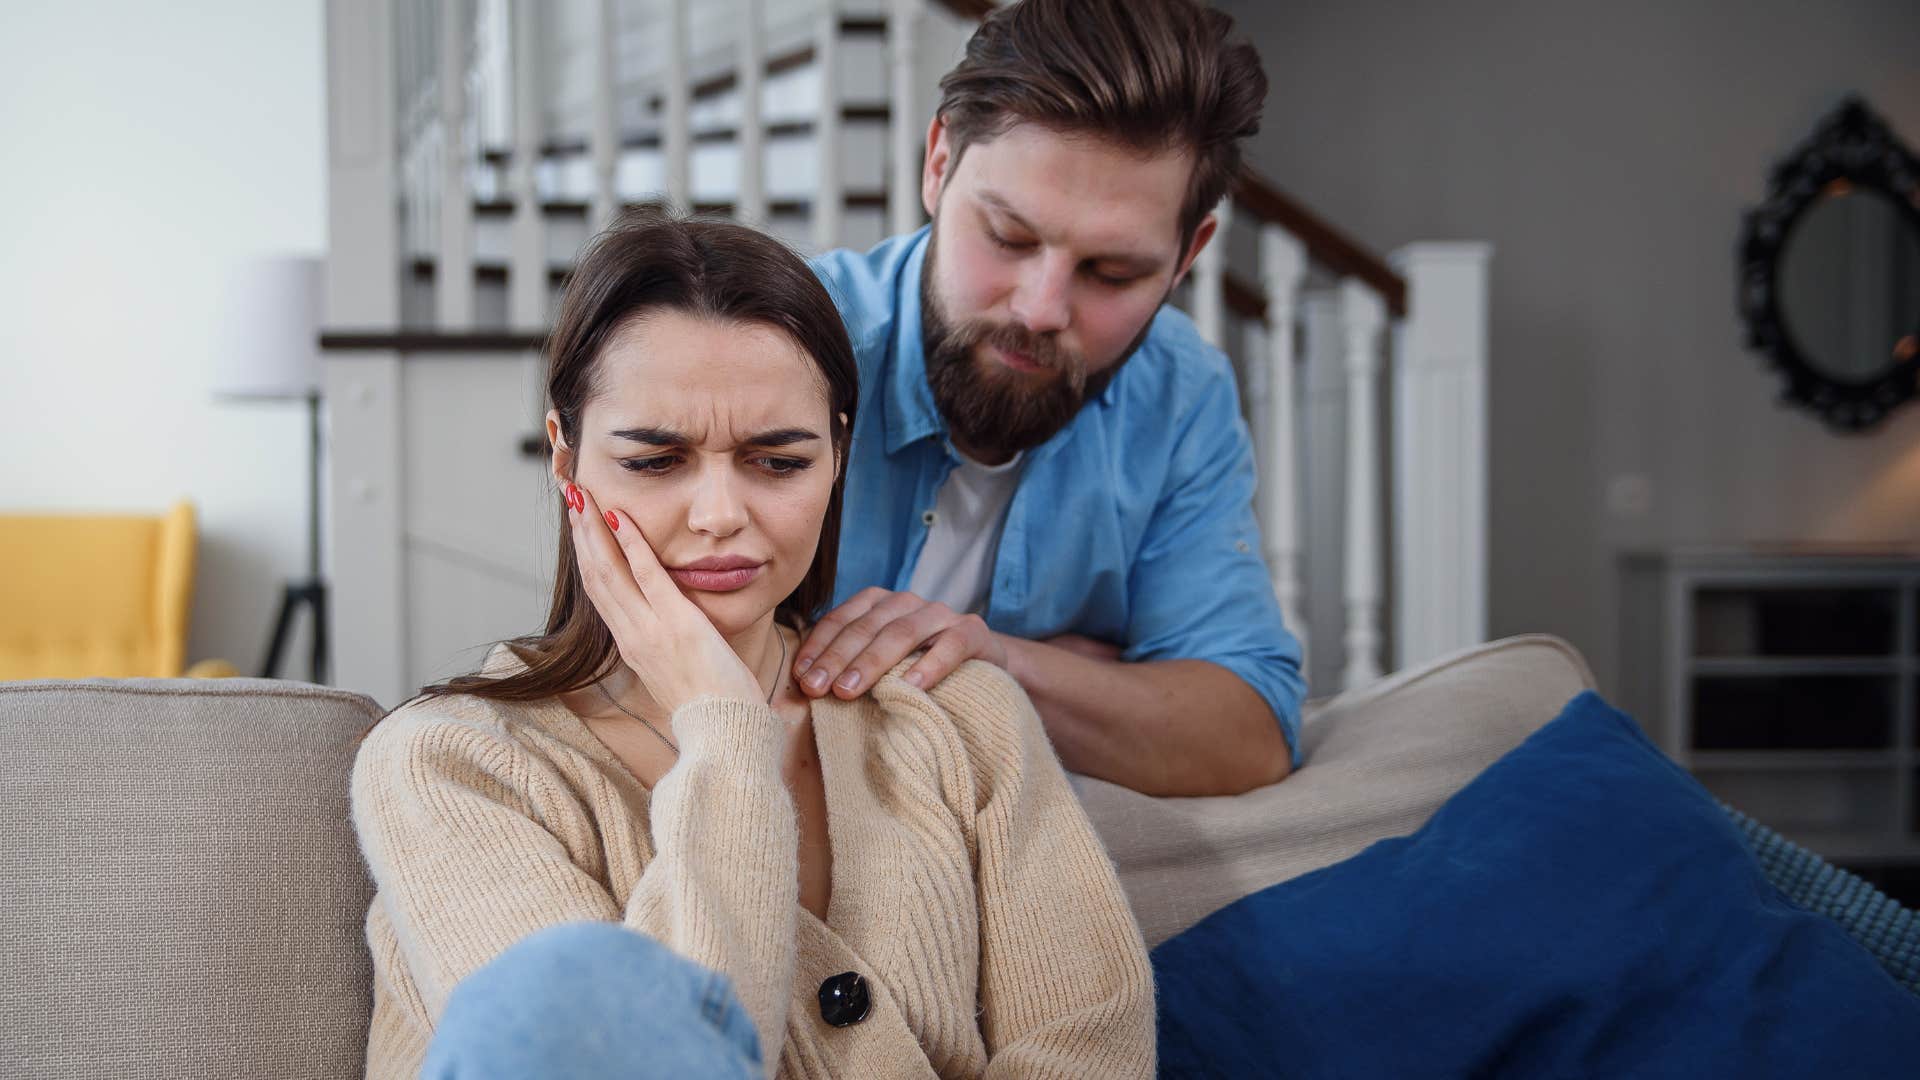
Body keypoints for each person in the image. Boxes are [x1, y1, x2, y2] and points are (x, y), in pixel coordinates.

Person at [349, 211, 1154, 1079]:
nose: (720, 515)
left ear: (838, 453)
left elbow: (1091, 1048)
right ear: (565, 456)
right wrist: (724, 725)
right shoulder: (447, 764)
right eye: (656, 461)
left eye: (779, 462)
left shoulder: (958, 713)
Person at [792, 0, 1306, 798]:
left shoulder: (1180, 394)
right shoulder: (782, 347)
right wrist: (1100, 687)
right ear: (938, 164)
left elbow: (1249, 733)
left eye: (1112, 273)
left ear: (1187, 257)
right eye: (1008, 236)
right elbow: (664, 678)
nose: (1040, 309)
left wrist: (1003, 666)